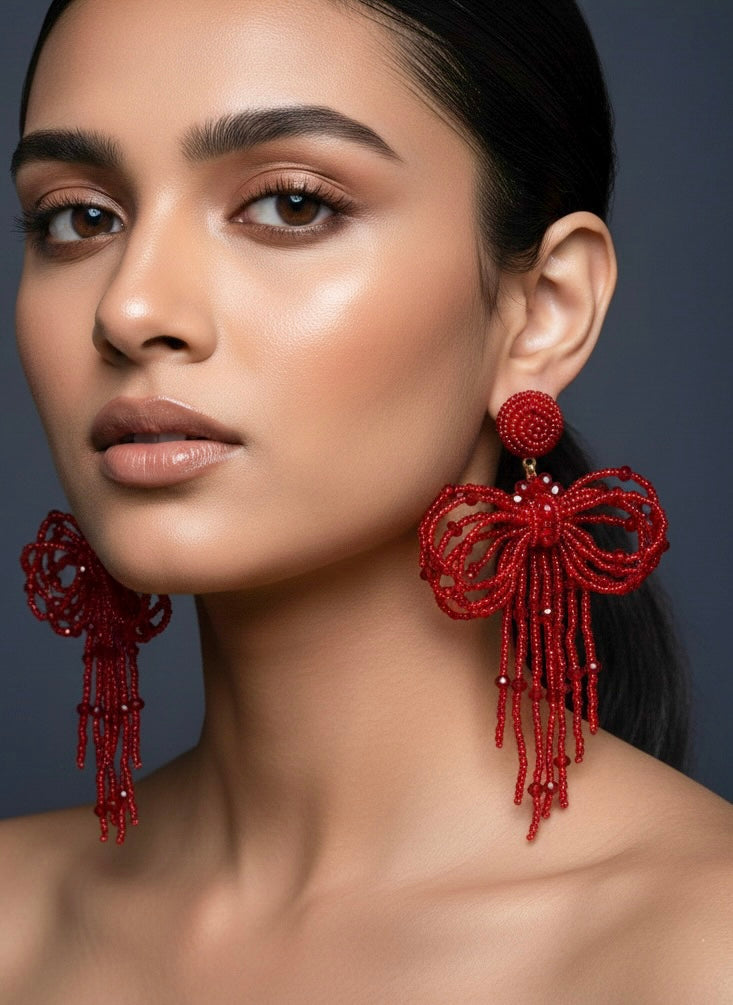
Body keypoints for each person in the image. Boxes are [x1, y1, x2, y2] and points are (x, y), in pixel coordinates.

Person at [1, 0, 731, 1000]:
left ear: (543, 312)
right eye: (78, 217)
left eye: (291, 204)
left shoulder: (697, 950)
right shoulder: (16, 918)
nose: (129, 309)